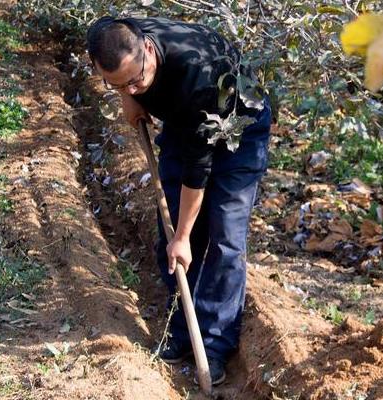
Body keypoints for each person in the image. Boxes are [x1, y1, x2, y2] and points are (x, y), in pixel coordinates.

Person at [86, 16, 271, 385]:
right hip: (184, 124)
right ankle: (184, 328)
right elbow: (126, 74)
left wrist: (185, 235)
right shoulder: (109, 37)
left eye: (136, 80)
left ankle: (215, 345)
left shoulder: (196, 74)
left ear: (149, 50)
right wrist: (126, 96)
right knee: (169, 238)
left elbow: (197, 171)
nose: (135, 89)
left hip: (239, 128)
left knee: (223, 236)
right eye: (119, 84)